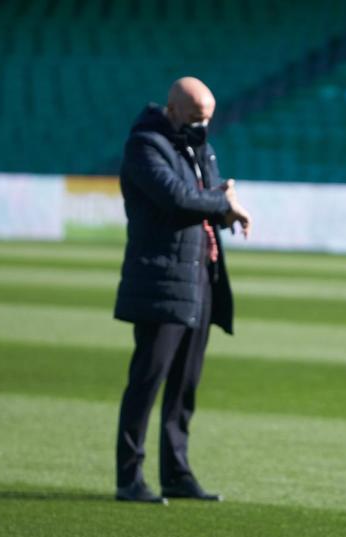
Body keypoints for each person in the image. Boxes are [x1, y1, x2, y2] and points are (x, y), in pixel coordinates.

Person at [113, 77, 252, 504]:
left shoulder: (196, 144)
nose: (202, 126)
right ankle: (129, 478)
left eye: (207, 118)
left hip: (199, 277)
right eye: (195, 117)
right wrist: (222, 202)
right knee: (147, 381)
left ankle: (176, 472)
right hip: (160, 280)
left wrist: (221, 208)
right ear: (173, 110)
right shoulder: (146, 145)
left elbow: (205, 198)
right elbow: (177, 198)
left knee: (184, 385)